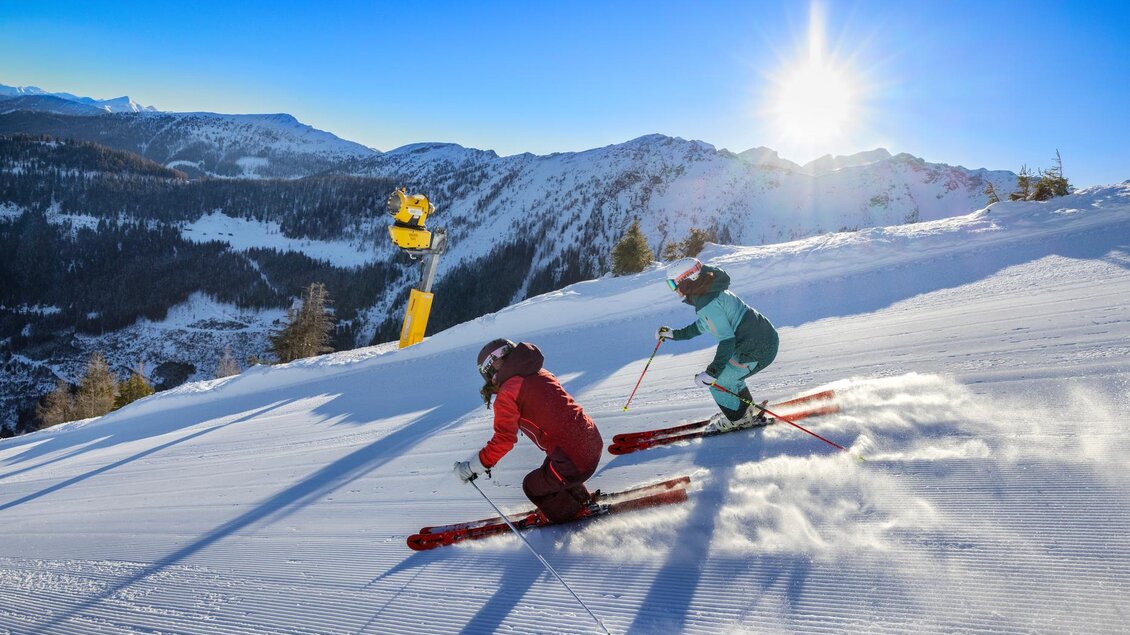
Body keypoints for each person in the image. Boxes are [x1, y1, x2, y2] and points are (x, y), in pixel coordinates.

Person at [453, 339, 604, 523]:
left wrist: (472, 467)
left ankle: (571, 514)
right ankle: (583, 500)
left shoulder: (508, 393)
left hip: (575, 459)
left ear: (491, 369)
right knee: (552, 468)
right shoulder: (540, 372)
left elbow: (504, 440)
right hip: (592, 441)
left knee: (532, 487)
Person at [656, 257, 779, 432]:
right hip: (761, 341)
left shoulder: (708, 303)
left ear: (686, 281)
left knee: (718, 382)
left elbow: (727, 341)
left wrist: (712, 373)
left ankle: (738, 419)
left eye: (673, 284)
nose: (674, 290)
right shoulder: (711, 291)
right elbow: (702, 325)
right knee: (730, 375)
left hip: (757, 349)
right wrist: (673, 334)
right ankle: (743, 410)